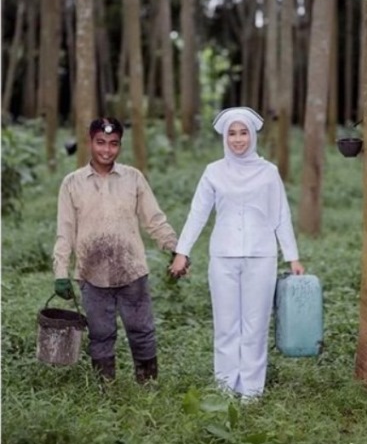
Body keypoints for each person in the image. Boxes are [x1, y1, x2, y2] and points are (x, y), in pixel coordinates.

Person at [169, 106, 303, 403]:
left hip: (261, 257)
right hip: (223, 257)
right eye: (232, 133)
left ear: (253, 136)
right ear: (225, 137)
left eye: (243, 133)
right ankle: (225, 388)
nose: (238, 140)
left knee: (255, 326)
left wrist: (291, 256)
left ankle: (251, 392)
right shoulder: (213, 172)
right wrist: (182, 252)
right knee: (226, 326)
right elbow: (197, 214)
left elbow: (281, 215)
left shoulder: (269, 173)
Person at [53, 117, 182, 384]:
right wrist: (60, 271)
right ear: (90, 142)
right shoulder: (72, 183)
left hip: (131, 270)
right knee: (100, 333)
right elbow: (65, 231)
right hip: (92, 273)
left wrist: (174, 248)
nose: (106, 150)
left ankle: (148, 385)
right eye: (100, 143)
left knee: (142, 331)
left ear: (120, 146)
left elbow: (154, 220)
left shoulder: (133, 178)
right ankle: (105, 389)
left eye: (113, 144)